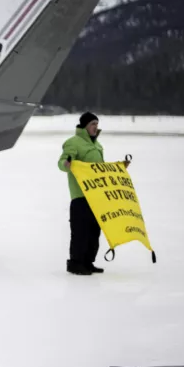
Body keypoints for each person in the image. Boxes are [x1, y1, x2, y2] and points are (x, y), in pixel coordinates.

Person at [57, 111, 128, 275]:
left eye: (97, 124)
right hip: (80, 196)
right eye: (92, 124)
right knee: (80, 232)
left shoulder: (98, 145)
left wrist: (119, 168)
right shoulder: (72, 143)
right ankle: (75, 263)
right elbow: (62, 162)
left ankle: (88, 262)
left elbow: (101, 170)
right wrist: (66, 164)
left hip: (97, 196)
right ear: (84, 126)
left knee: (94, 232)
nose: (96, 127)